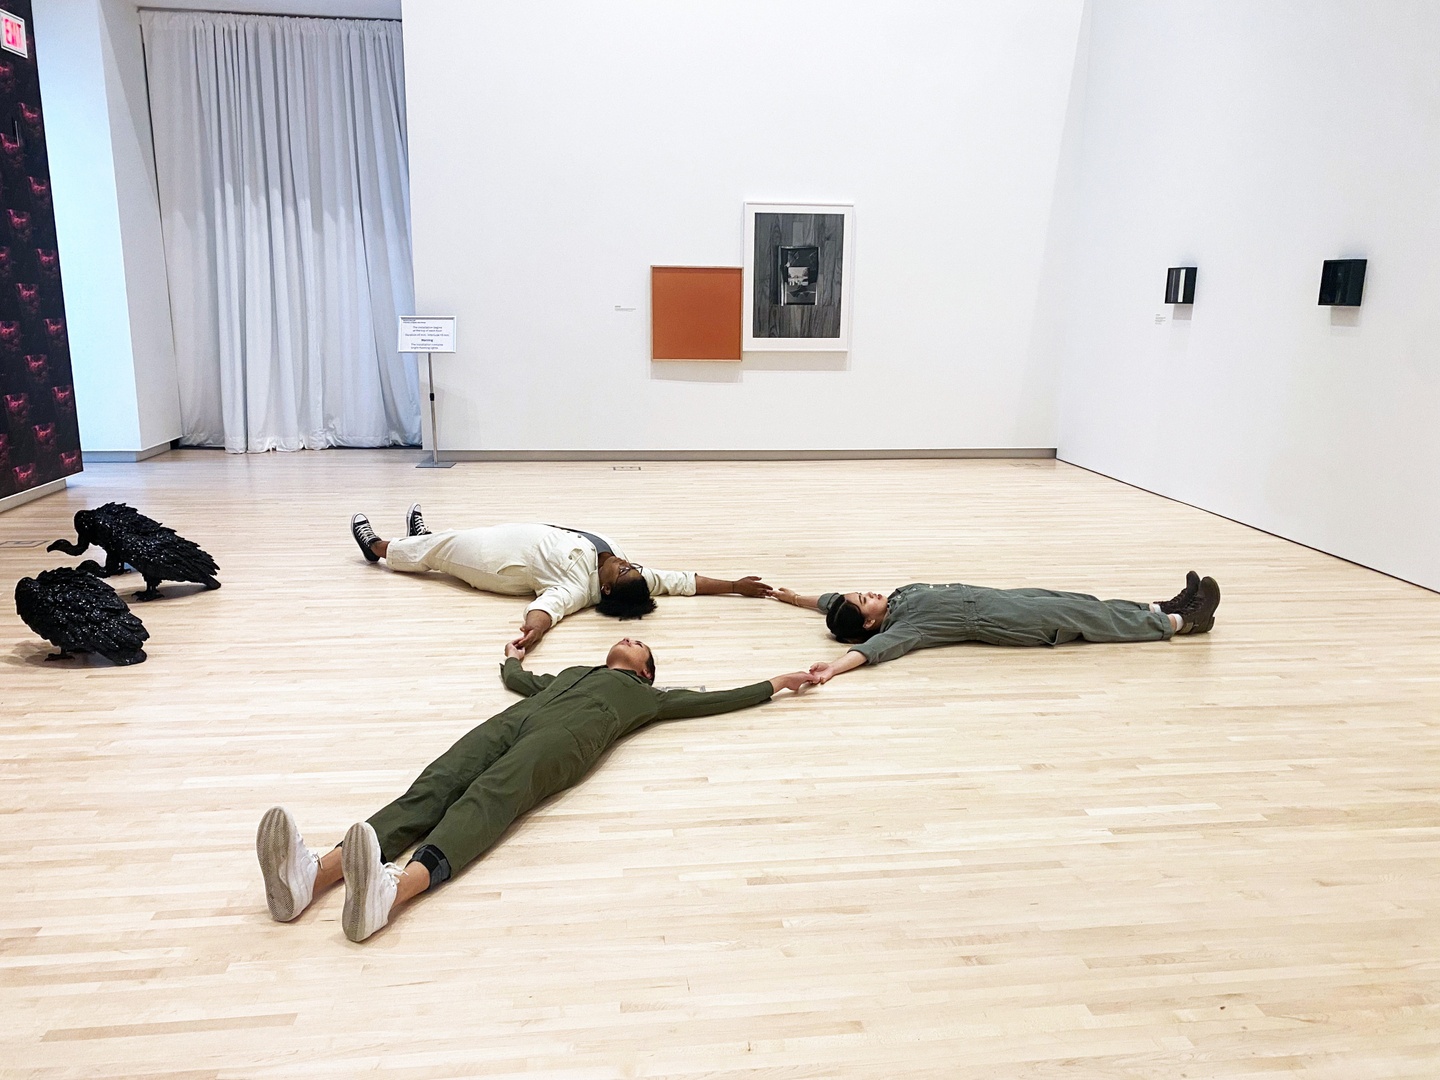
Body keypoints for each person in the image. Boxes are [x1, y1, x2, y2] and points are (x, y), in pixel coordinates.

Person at [256, 637, 817, 942]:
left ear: (646, 672)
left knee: (490, 796)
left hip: (564, 742)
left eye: (640, 643)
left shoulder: (651, 696)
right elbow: (523, 682)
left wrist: (778, 683)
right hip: (516, 720)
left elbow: (715, 699)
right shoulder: (574, 671)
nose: (629, 638)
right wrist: (512, 658)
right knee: (434, 786)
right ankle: (311, 877)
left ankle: (390, 896)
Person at [349, 505, 773, 649]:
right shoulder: (632, 573)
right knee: (442, 544)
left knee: (447, 550)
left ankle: (379, 548)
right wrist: (735, 585)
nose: (631, 565)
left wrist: (531, 633)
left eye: (624, 570)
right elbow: (684, 581)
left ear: (606, 588)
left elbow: (548, 608)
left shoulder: (578, 587)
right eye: (632, 567)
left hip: (495, 562)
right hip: (518, 536)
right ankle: (420, 539)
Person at [772, 571, 1221, 683]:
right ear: (869, 622)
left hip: (1008, 599)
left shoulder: (892, 600)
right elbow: (871, 651)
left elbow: (830, 602)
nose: (865, 591)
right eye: (862, 600)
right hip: (1014, 622)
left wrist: (790, 596)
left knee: (1078, 600)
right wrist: (831, 667)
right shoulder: (907, 625)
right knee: (1089, 618)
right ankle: (1184, 623)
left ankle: (1160, 606)